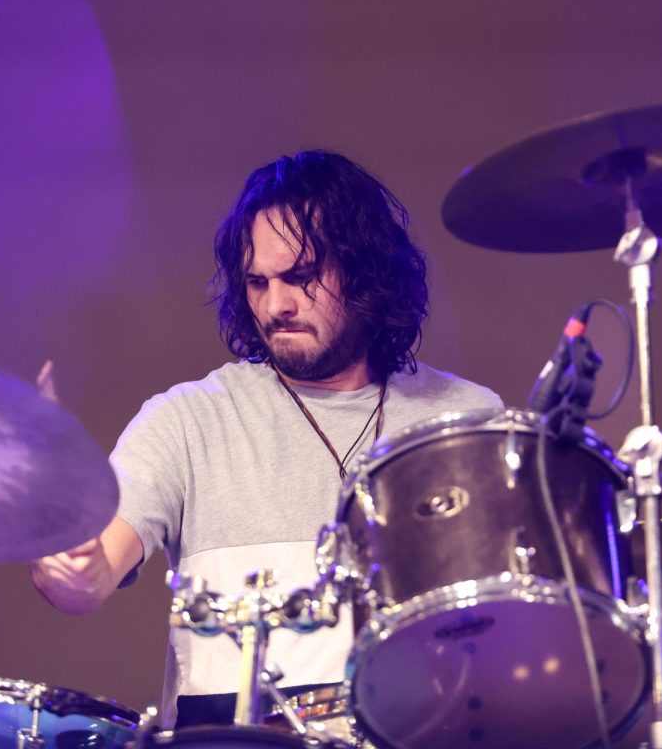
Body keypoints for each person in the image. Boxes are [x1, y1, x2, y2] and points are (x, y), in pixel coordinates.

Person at [29, 150, 503, 729]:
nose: (276, 305)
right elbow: (87, 578)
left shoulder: (468, 419)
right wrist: (68, 559)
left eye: (301, 278)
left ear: (366, 271)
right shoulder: (187, 420)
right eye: (258, 283)